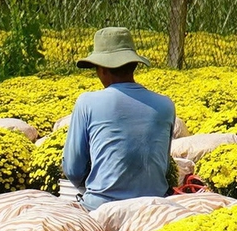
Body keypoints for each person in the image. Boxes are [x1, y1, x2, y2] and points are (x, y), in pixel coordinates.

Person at [60, 27, 177, 209]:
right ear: (134, 64)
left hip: (101, 206)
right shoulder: (165, 105)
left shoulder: (87, 103)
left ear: (103, 69)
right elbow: (163, 166)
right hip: (153, 205)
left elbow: (73, 169)